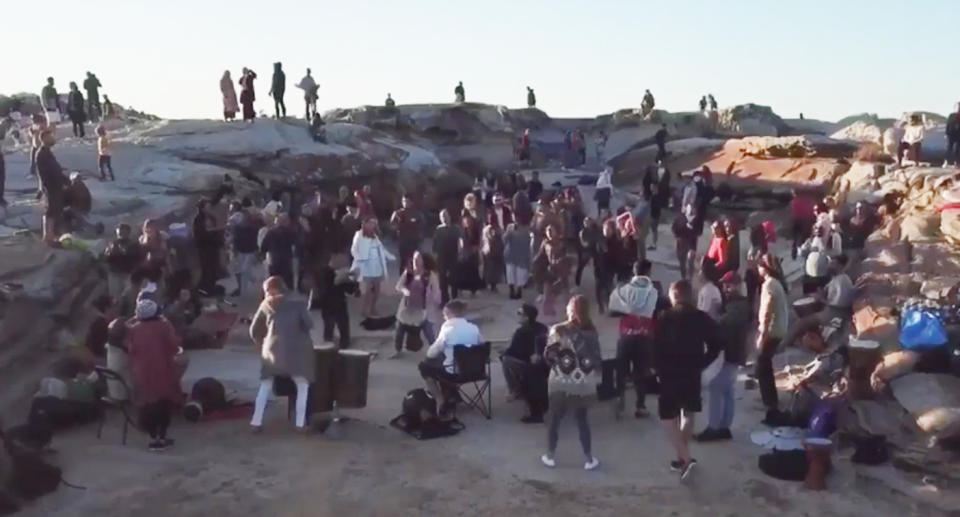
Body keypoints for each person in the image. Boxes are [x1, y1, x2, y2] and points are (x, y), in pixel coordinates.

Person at [656, 280, 723, 479]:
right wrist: (703, 362)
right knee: (688, 412)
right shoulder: (701, 318)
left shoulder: (664, 318)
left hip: (669, 373)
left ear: (674, 296)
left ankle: (684, 457)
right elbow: (717, 343)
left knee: (668, 416)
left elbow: (655, 347)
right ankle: (682, 457)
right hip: (692, 372)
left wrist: (656, 369)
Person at [540, 295, 602, 471]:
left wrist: (562, 368)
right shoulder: (592, 332)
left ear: (570, 310)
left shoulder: (557, 330)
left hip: (559, 382)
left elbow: (549, 355)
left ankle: (550, 455)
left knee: (555, 419)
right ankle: (589, 458)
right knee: (582, 420)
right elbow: (596, 360)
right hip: (582, 384)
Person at [249, 276, 316, 431]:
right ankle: (300, 424)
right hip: (296, 352)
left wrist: (261, 346)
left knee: (265, 385)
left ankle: (256, 421)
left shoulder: (265, 305)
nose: (266, 294)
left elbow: (254, 331)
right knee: (302, 385)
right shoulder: (298, 304)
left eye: (266, 290)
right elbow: (309, 324)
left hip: (271, 351)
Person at [696, 271, 751, 442]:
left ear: (738, 285)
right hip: (734, 352)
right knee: (727, 390)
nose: (726, 288)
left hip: (733, 352)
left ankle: (714, 428)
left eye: (729, 285)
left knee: (716, 387)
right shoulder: (737, 303)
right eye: (725, 285)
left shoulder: (739, 306)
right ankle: (724, 427)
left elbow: (725, 323)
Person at [126, 298, 182, 451]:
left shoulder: (133, 329)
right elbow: (175, 344)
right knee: (163, 405)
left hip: (142, 374)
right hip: (163, 371)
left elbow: (130, 350)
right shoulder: (164, 326)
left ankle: (153, 437)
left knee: (148, 405)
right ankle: (161, 437)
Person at [609, 260, 658, 418]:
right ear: (648, 272)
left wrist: (627, 311)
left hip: (625, 336)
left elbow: (613, 312)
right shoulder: (653, 290)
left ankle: (619, 398)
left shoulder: (622, 290)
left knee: (621, 370)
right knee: (640, 372)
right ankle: (640, 406)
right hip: (644, 337)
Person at [419, 299, 482, 415]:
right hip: (475, 371)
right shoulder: (474, 328)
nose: (443, 317)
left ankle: (440, 399)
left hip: (455, 373)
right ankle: (452, 395)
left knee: (425, 366)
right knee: (446, 360)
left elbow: (432, 353)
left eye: (444, 314)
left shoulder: (448, 330)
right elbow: (481, 346)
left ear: (451, 314)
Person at [756, 254, 790, 424]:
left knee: (763, 368)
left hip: (771, 331)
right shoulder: (777, 283)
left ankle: (771, 406)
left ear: (765, 268)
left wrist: (762, 335)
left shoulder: (769, 284)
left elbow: (767, 311)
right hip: (779, 329)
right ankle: (771, 402)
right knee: (765, 366)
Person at [502, 304, 549, 421]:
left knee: (505, 360)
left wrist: (504, 352)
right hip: (545, 364)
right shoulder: (542, 328)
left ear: (526, 317)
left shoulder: (521, 332)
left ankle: (514, 388)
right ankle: (516, 388)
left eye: (519, 313)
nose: (517, 315)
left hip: (528, 365)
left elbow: (514, 352)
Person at [393, 251, 439, 358]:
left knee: (428, 331)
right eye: (414, 258)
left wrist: (433, 299)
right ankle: (397, 351)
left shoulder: (430, 275)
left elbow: (436, 290)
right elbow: (398, 286)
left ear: (423, 261)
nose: (415, 261)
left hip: (422, 309)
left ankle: (436, 351)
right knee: (400, 331)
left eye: (418, 259)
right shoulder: (408, 273)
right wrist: (405, 291)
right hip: (406, 308)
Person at [351, 216, 394, 319]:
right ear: (364, 224)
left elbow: (381, 248)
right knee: (367, 289)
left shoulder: (375, 235)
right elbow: (354, 249)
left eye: (374, 223)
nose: (372, 225)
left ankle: (373, 307)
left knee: (377, 289)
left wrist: (389, 256)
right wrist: (359, 258)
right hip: (366, 265)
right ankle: (364, 310)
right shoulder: (359, 235)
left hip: (377, 265)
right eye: (370, 223)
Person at [317, 255, 358, 348]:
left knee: (330, 327)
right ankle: (342, 344)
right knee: (341, 326)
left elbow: (351, 290)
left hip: (328, 304)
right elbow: (350, 290)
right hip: (335, 303)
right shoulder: (329, 274)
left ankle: (329, 344)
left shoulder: (327, 273)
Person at [36, 129, 68, 245]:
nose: (53, 138)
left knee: (55, 210)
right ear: (44, 138)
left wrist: (65, 180)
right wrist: (46, 187)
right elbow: (44, 173)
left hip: (56, 186)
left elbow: (56, 169)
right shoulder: (41, 153)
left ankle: (52, 234)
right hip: (50, 187)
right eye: (50, 137)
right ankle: (47, 236)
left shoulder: (48, 153)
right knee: (50, 211)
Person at [227, 200, 262, 297]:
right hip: (247, 251)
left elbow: (235, 239)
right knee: (243, 270)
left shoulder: (240, 227)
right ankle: (244, 287)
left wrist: (233, 250)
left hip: (244, 251)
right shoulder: (253, 227)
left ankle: (242, 289)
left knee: (242, 271)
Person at [533, 224, 568, 321]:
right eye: (548, 232)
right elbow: (541, 254)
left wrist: (562, 262)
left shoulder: (561, 243)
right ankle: (548, 315)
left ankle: (566, 313)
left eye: (551, 231)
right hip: (550, 270)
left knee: (562, 294)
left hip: (560, 270)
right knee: (547, 293)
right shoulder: (545, 243)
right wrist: (535, 262)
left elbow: (565, 256)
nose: (550, 233)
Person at [104, 223, 144, 299]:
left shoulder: (134, 245)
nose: (121, 234)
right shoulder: (112, 244)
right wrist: (111, 252)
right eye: (120, 232)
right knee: (115, 297)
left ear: (128, 233)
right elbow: (107, 259)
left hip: (128, 274)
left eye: (123, 232)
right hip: (114, 274)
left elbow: (138, 259)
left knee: (128, 296)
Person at [260, 213, 298, 291]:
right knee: (287, 281)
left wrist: (262, 254)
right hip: (286, 259)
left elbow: (264, 246)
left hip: (274, 259)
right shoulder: (291, 232)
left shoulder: (271, 232)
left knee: (274, 281)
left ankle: (274, 296)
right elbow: (296, 244)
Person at [390, 193, 425, 273]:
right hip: (403, 241)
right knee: (403, 261)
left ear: (412, 202)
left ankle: (413, 281)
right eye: (404, 201)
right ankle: (402, 280)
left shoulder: (417, 213)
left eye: (407, 201)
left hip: (414, 241)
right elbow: (392, 226)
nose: (405, 203)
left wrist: (419, 234)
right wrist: (399, 224)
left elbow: (422, 225)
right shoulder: (397, 213)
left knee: (415, 261)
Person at [433, 209, 462, 304]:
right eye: (442, 217)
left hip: (453, 256)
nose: (444, 218)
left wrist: (460, 249)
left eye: (445, 216)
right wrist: (435, 254)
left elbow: (461, 240)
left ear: (449, 217)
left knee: (454, 278)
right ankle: (444, 299)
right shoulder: (438, 229)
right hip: (442, 257)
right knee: (442, 279)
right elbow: (435, 243)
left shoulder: (456, 228)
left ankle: (455, 299)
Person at [642, 162, 670, 249]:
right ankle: (651, 243)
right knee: (651, 229)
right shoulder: (652, 196)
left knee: (652, 229)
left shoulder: (655, 197)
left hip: (653, 214)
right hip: (651, 214)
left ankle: (653, 244)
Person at [455, 213, 484, 296]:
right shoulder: (461, 231)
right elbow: (460, 243)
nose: (467, 222)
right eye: (465, 221)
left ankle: (473, 289)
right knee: (462, 271)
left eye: (468, 221)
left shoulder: (475, 231)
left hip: (472, 253)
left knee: (473, 272)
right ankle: (460, 288)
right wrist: (460, 251)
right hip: (464, 253)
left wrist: (476, 249)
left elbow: (479, 242)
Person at [823, 254, 854, 322]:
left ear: (840, 266)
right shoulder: (836, 277)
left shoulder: (842, 280)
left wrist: (821, 300)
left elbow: (840, 304)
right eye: (829, 263)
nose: (829, 266)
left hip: (838, 313)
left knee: (804, 322)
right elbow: (827, 287)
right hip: (833, 310)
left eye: (832, 264)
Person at [744, 224, 768, 309]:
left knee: (752, 298)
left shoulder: (756, 248)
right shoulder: (761, 247)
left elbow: (754, 261)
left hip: (754, 273)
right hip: (757, 273)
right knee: (760, 296)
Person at [480, 220, 504, 292]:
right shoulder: (493, 229)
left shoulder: (486, 229)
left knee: (489, 269)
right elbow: (492, 238)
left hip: (489, 251)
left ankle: (487, 284)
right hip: (492, 251)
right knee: (492, 269)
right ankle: (491, 285)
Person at [947, 102, 960, 167]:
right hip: (951, 133)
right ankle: (948, 161)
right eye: (957, 107)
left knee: (957, 149)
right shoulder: (951, 115)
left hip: (958, 134)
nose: (958, 108)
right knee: (949, 148)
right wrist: (946, 133)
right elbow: (948, 124)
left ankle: (957, 162)